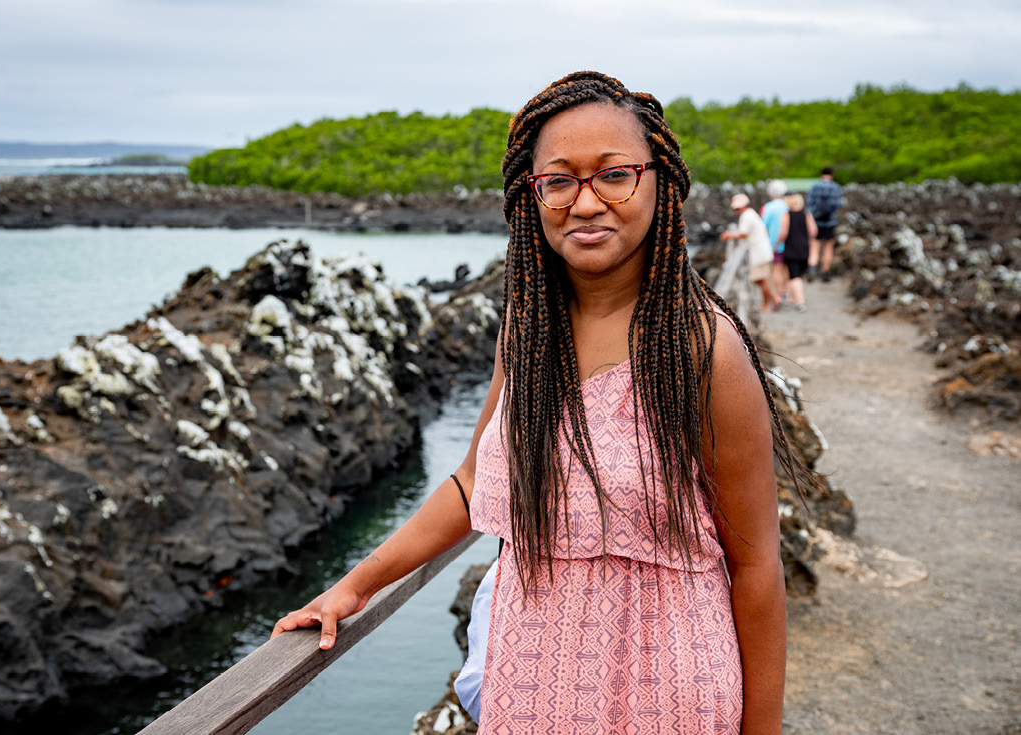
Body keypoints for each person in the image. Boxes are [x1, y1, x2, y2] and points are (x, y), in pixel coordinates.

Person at [271, 71, 809, 735]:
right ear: (533, 196)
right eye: (560, 180)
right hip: (531, 682)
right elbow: (474, 486)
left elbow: (756, 566)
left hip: (665, 688)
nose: (586, 202)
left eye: (615, 175)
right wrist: (355, 585)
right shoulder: (528, 332)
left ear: (659, 181)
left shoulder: (702, 348)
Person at [721, 193, 779, 311]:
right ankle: (772, 299)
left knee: (761, 279)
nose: (737, 210)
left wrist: (729, 235)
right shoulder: (750, 214)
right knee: (760, 279)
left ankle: (770, 301)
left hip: (759, 253)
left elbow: (743, 233)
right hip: (761, 251)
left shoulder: (747, 216)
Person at [778, 193, 817, 311]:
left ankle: (800, 302)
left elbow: (783, 232)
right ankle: (790, 298)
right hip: (804, 247)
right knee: (795, 274)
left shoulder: (787, 215)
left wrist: (776, 243)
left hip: (791, 248)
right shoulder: (806, 214)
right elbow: (813, 231)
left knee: (795, 275)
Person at [805, 166, 843, 282]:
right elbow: (838, 205)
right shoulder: (835, 187)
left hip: (816, 222)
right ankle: (825, 272)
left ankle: (812, 268)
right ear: (832, 174)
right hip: (830, 222)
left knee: (814, 247)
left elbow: (809, 205)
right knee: (828, 247)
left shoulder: (815, 186)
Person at [759, 180, 790, 306]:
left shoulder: (767, 207)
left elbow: (762, 226)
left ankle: (779, 294)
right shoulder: (787, 205)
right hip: (789, 244)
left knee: (776, 270)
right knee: (784, 269)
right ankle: (785, 293)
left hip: (774, 244)